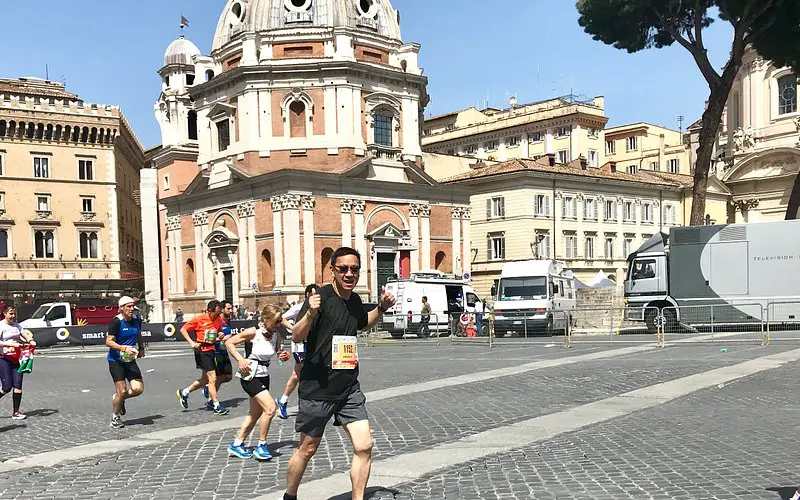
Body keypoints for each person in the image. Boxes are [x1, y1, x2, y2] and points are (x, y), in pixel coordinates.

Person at [282, 247, 396, 500]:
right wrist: (310, 313)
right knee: (307, 448)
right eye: (343, 269)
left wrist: (382, 308)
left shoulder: (354, 300)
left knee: (364, 446)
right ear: (332, 270)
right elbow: (297, 335)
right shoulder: (318, 299)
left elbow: (363, 323)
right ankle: (290, 496)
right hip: (317, 389)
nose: (349, 274)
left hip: (348, 388)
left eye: (354, 269)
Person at [225, 304, 291, 460]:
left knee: (255, 414)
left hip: (263, 374)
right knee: (270, 408)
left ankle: (237, 444)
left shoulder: (276, 335)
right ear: (265, 319)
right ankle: (262, 445)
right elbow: (229, 343)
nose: (279, 324)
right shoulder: (253, 332)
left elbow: (278, 353)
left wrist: (282, 356)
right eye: (276, 321)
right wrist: (240, 359)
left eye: (280, 321)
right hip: (249, 373)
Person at [176, 300, 229, 415]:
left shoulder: (218, 319)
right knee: (212, 378)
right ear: (209, 311)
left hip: (212, 350)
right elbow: (183, 329)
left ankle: (184, 392)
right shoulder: (199, 319)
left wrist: (220, 334)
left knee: (205, 380)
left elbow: (219, 332)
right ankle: (216, 405)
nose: (218, 316)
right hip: (202, 350)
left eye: (219, 313)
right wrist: (191, 343)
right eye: (216, 313)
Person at [276, 284, 317, 420]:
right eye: (312, 295)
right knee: (300, 374)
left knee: (301, 375)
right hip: (300, 346)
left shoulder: (319, 308)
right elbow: (280, 318)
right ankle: (285, 400)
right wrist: (294, 328)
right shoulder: (298, 308)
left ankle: (285, 400)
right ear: (307, 296)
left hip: (313, 345)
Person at [106, 296, 146, 428]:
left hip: (129, 359)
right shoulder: (116, 322)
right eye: (128, 307)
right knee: (122, 391)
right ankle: (115, 419)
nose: (131, 309)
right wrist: (123, 348)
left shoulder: (136, 320)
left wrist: (141, 347)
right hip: (116, 360)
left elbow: (138, 333)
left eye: (132, 306)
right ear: (121, 308)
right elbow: (109, 341)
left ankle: (119, 399)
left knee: (138, 389)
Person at [0, 304, 36, 419]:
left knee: (18, 385)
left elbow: (24, 333)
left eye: (14, 313)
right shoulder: (1, 326)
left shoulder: (17, 325)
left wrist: (30, 340)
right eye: (11, 314)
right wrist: (10, 344)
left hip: (17, 358)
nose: (13, 316)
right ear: (4, 313)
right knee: (6, 387)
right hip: (3, 358)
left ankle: (16, 412)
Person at [202, 301, 235, 409]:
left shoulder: (227, 321)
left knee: (228, 377)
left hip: (223, 351)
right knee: (216, 378)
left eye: (231, 308)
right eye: (228, 309)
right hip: (216, 352)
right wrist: (221, 338)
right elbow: (208, 339)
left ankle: (209, 391)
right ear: (222, 309)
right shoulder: (215, 321)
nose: (231, 311)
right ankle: (212, 399)